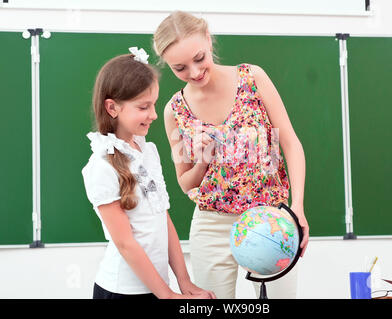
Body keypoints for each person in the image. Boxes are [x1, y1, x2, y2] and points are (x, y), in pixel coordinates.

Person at [153, 11, 310, 299]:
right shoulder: (173, 111)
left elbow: (290, 143)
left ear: (209, 41)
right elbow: (186, 184)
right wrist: (202, 160)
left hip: (270, 220)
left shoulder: (253, 78)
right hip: (211, 226)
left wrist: (297, 207)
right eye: (180, 68)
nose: (194, 72)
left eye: (199, 58)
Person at [81, 47, 216, 299]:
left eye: (153, 104)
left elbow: (162, 218)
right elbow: (125, 244)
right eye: (144, 107)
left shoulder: (147, 151)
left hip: (157, 288)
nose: (154, 114)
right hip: (122, 292)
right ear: (112, 108)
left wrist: (183, 281)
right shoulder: (101, 166)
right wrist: (167, 295)